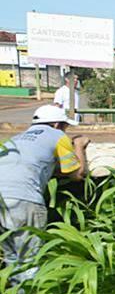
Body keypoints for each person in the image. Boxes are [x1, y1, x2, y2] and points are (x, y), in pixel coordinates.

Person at [0, 105, 89, 283]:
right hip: (24, 199)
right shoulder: (57, 136)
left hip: (2, 200)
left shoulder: (15, 140)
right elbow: (78, 174)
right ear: (57, 124)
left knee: (12, 259)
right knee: (30, 261)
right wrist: (79, 145)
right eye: (65, 126)